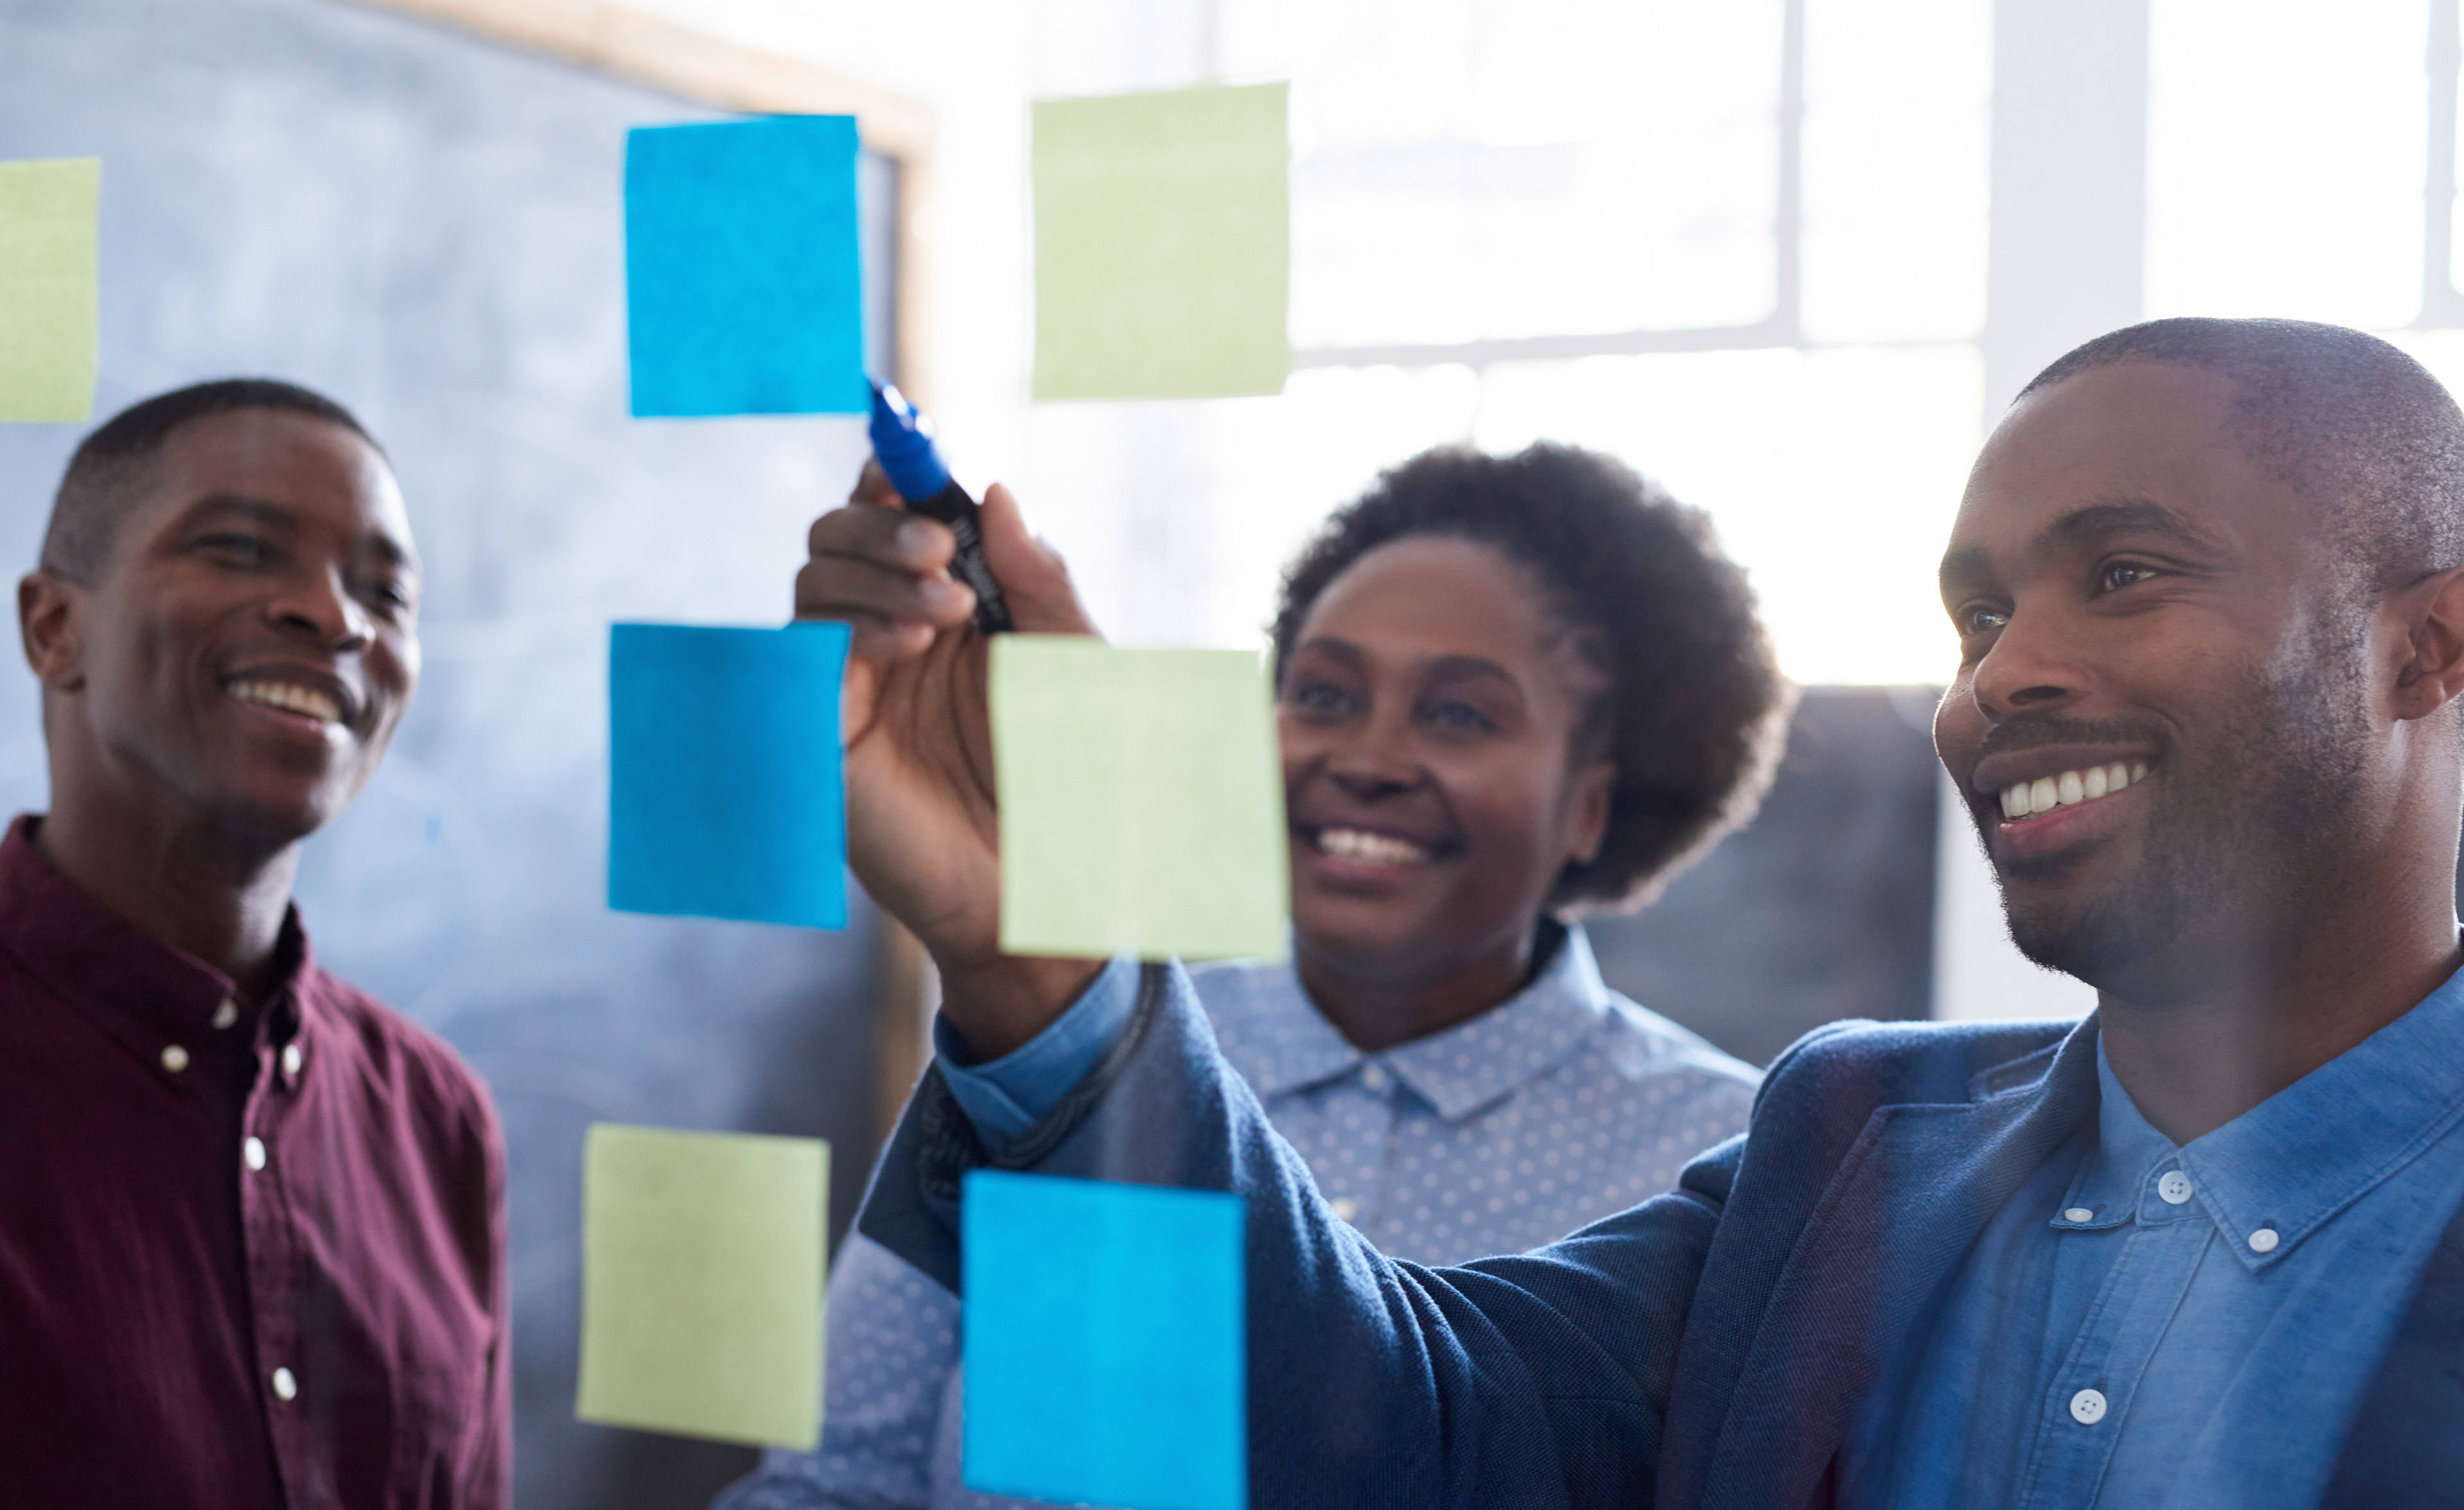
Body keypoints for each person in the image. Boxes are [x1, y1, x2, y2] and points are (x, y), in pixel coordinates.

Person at [798, 318, 2464, 1507]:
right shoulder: (1855, 1145)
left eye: (2125, 574)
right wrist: (1045, 955)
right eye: (1976, 614)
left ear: (2430, 650)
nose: (2003, 674)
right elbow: (1396, 1430)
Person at [724, 444, 1793, 1509]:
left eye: (1459, 714)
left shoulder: (1733, 1170)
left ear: (1594, 804)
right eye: (1323, 696)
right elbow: (837, 1484)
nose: (1366, 759)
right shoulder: (1047, 1056)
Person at [1, 381, 508, 1509]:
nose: (336, 619)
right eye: (238, 550)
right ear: (55, 627)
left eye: (385, 591)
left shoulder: (440, 1127)